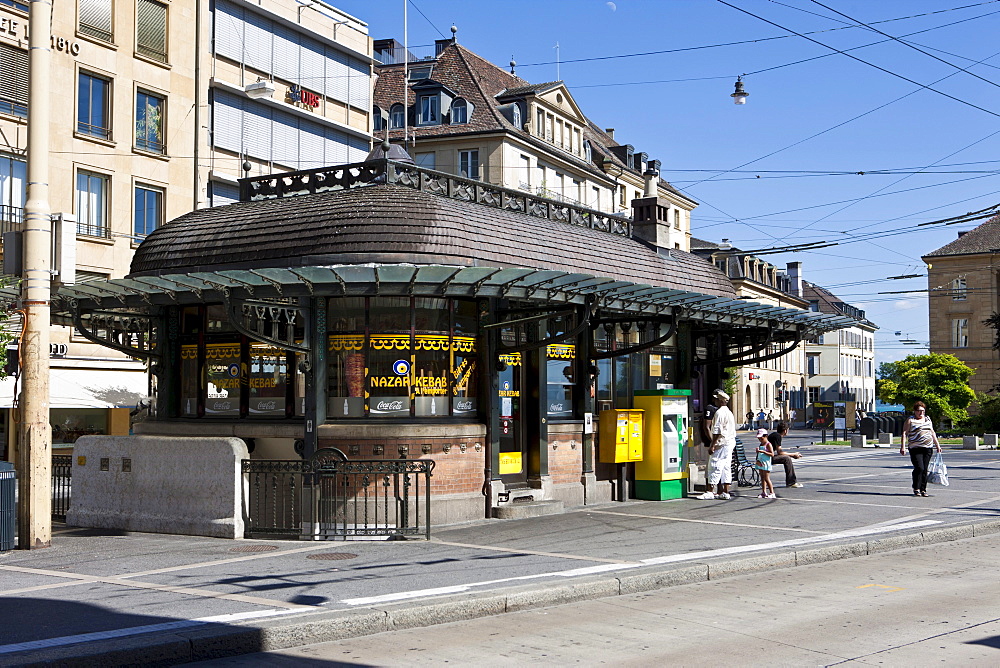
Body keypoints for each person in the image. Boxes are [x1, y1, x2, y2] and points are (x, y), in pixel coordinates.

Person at [696, 389, 737, 500]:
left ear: (720, 400)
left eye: (716, 399)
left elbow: (717, 431)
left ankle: (710, 491)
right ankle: (725, 491)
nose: (714, 400)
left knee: (714, 465)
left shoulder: (719, 413)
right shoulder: (729, 412)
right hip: (730, 442)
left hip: (721, 442)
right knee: (726, 466)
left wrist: (712, 445)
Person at [900, 400, 941, 497]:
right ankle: (916, 488)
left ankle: (923, 489)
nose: (921, 413)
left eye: (923, 410)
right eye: (919, 411)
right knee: (919, 468)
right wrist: (903, 447)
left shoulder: (927, 419)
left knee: (925, 469)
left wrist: (937, 445)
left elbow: (932, 433)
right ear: (915, 411)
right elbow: (904, 433)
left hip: (927, 447)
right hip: (915, 447)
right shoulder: (910, 420)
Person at [768, 421, 803, 488]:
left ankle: (792, 481)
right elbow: (780, 452)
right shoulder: (778, 436)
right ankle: (791, 482)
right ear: (785, 431)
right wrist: (793, 454)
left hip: (765, 456)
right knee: (787, 459)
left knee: (786, 457)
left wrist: (792, 455)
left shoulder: (775, 435)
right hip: (766, 458)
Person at [754, 428, 776, 498]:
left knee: (766, 478)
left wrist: (764, 452)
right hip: (761, 462)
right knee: (762, 478)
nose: (760, 440)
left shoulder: (768, 444)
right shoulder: (761, 444)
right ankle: (764, 492)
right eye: (759, 439)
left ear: (766, 436)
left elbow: (772, 454)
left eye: (761, 438)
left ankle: (772, 492)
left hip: (766, 463)